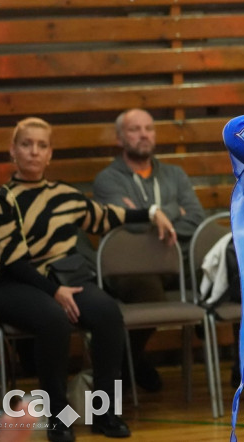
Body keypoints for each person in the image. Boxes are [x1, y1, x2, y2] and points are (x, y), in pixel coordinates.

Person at [0, 117, 176, 442]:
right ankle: (59, 419)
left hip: (62, 279)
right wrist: (54, 291)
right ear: (13, 151)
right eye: (26, 144)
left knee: (107, 313)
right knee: (53, 320)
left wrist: (151, 211)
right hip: (14, 284)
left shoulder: (64, 195)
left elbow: (105, 215)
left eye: (41, 146)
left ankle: (104, 414)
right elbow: (13, 261)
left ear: (50, 154)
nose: (34, 152)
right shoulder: (3, 198)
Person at [92, 108, 208, 392]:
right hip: (128, 269)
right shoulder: (108, 179)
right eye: (135, 129)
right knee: (149, 293)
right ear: (120, 138)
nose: (144, 134)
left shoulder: (174, 175)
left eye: (149, 128)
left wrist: (154, 216)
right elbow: (126, 228)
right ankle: (129, 363)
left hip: (176, 264)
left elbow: (196, 219)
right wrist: (169, 211)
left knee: (223, 280)